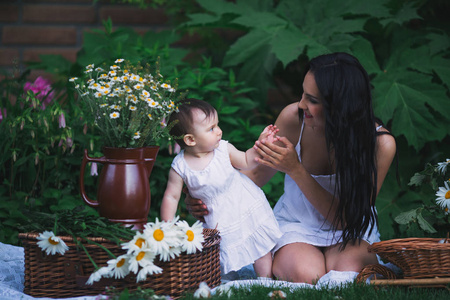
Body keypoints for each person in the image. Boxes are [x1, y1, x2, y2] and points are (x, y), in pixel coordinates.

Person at [185, 53, 397, 284]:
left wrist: (296, 170)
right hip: (297, 223)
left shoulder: (380, 144)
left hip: (350, 228)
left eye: (313, 100)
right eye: (303, 94)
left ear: (341, 107)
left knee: (349, 272)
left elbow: (349, 218)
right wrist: (207, 195)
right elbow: (254, 176)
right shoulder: (293, 118)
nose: (302, 104)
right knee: (306, 274)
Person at [160, 98, 282, 278]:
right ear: (190, 139)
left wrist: (260, 145)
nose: (219, 131)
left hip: (243, 204)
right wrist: (167, 226)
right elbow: (171, 196)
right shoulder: (180, 166)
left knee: (259, 245)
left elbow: (246, 161)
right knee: (222, 253)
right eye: (211, 128)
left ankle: (265, 279)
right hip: (218, 216)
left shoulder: (224, 149)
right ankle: (228, 280)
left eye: (217, 125)